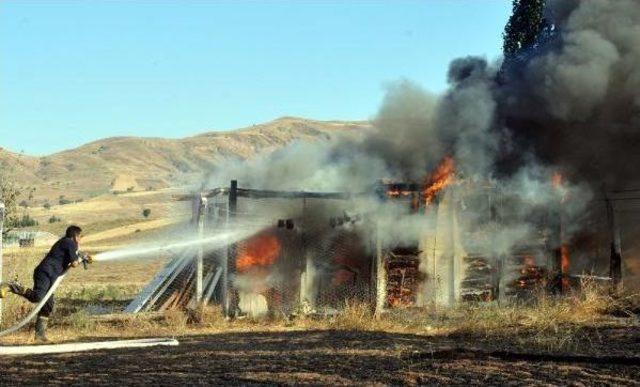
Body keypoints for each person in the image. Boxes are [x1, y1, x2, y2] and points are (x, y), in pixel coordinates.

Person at [1, 225, 87, 341]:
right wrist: (80, 259)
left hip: (51, 275)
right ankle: (12, 286)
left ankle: (40, 336)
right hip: (45, 272)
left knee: (48, 305)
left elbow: (74, 255)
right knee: (38, 297)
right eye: (80, 237)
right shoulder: (69, 242)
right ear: (76, 236)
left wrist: (83, 257)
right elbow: (74, 263)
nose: (81, 239)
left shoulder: (66, 243)